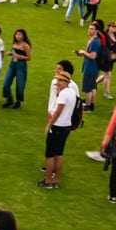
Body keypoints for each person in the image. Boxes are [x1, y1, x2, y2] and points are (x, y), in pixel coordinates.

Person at [41, 61, 80, 190]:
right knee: (59, 153)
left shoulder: (63, 94)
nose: (58, 83)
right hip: (66, 126)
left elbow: (57, 112)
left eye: (61, 81)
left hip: (57, 126)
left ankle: (47, 181)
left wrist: (49, 125)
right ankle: (56, 180)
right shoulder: (72, 93)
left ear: (66, 82)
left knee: (50, 154)